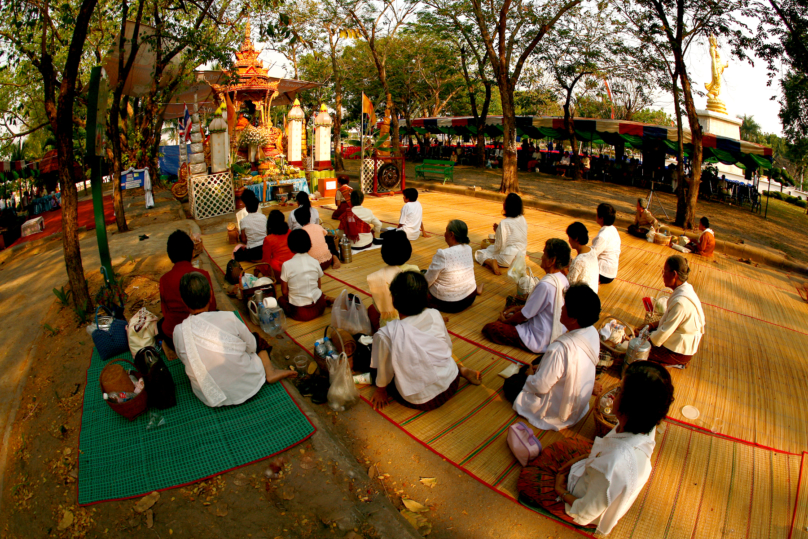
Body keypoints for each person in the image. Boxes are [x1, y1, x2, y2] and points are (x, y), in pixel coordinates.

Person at [517, 362, 674, 536]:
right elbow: (605, 456)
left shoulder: (613, 464)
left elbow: (585, 513)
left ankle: (558, 509)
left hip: (584, 505)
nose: (614, 394)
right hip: (597, 472)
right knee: (567, 444)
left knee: (528, 480)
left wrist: (560, 489)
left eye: (620, 391)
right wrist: (578, 459)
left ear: (629, 407)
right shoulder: (645, 424)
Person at [172, 272, 296, 407]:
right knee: (255, 338)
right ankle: (269, 370)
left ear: (183, 301)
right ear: (211, 296)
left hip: (209, 395)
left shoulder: (179, 331)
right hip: (249, 383)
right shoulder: (228, 317)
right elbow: (252, 347)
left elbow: (185, 358)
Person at [369, 271, 481, 411]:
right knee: (431, 355)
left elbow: (385, 369)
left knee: (375, 366)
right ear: (427, 298)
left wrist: (381, 390)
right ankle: (460, 369)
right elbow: (446, 347)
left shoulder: (387, 333)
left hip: (424, 400)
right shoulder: (434, 314)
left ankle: (458, 370)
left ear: (393, 302)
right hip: (452, 381)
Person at [503, 284, 601, 431]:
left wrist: (531, 376)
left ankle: (531, 375)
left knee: (511, 383)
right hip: (579, 404)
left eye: (565, 306)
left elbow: (541, 387)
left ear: (574, 318)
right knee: (540, 361)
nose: (561, 308)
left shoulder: (559, 349)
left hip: (558, 411)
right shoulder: (592, 332)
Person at [482, 239, 570, 353]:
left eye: (544, 254)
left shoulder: (546, 285)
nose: (542, 257)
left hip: (540, 338)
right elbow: (538, 306)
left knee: (491, 328)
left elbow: (524, 316)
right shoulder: (563, 279)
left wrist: (506, 322)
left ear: (551, 261)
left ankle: (509, 325)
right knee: (513, 303)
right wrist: (517, 308)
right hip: (556, 331)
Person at [157, 230, 217, 351]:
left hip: (175, 337)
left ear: (170, 256)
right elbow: (212, 306)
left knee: (160, 325)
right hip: (204, 332)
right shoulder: (203, 274)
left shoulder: (164, 280)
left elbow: (166, 311)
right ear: (192, 253)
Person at [644, 255, 705, 368]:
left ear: (674, 274)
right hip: (680, 344)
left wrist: (644, 338)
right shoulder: (685, 289)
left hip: (679, 352)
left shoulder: (680, 303)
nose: (662, 275)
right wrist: (651, 325)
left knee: (638, 349)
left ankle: (676, 362)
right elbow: (668, 320)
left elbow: (662, 335)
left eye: (664, 271)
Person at [424, 220, 482, 313]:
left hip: (451, 303)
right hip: (470, 297)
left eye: (446, 231)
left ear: (451, 234)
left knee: (419, 280)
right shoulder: (468, 248)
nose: (444, 234)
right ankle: (477, 289)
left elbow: (428, 280)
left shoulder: (443, 254)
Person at [367, 231, 420, 332]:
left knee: (372, 310)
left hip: (389, 329)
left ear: (384, 254)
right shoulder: (415, 270)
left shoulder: (376, 277)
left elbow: (379, 309)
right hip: (414, 324)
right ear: (408, 252)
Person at [278, 229, 332, 321]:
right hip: (319, 308)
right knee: (318, 293)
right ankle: (329, 300)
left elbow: (284, 292)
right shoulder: (315, 262)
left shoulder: (286, 265)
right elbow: (319, 287)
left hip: (300, 312)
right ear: (309, 244)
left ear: (290, 245)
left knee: (280, 299)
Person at [475, 193, 528, 275]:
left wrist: (498, 232)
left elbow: (498, 247)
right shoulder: (522, 219)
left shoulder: (504, 223)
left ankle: (491, 262)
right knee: (489, 248)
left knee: (480, 253)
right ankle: (493, 260)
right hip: (520, 257)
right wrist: (498, 230)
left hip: (508, 258)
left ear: (507, 206)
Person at [294, 205, 341, 270]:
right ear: (310, 217)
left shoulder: (301, 232)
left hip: (313, 265)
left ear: (297, 220)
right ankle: (334, 257)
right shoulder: (317, 226)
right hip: (328, 261)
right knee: (328, 239)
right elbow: (325, 235)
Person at [590, 203, 621, 284]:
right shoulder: (613, 229)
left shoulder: (603, 236)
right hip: (611, 272)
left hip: (603, 273)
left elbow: (592, 254)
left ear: (601, 218)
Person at [566, 222, 599, 293]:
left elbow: (568, 285)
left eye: (569, 238)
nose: (569, 241)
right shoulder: (591, 250)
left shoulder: (579, 261)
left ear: (576, 239)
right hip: (593, 293)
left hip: (583, 299)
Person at [234, 190, 267, 262]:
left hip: (252, 253)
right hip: (265, 250)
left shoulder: (243, 221)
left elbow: (243, 239)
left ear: (247, 208)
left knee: (237, 251)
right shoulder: (263, 217)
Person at [261, 210, 294, 278]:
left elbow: (265, 261)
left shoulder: (269, 239)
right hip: (293, 267)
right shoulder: (290, 232)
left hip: (279, 270)